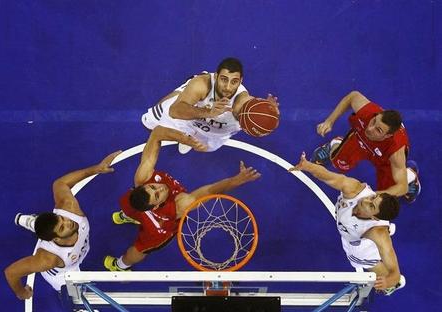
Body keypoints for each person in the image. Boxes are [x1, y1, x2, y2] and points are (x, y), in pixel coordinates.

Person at [104, 126, 261, 271]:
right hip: (157, 228)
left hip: (135, 206)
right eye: (157, 195)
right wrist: (236, 181)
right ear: (156, 206)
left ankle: (125, 216)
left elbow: (157, 133)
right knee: (141, 249)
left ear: (142, 186)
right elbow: (210, 190)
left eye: (152, 187)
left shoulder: (142, 178)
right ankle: (120, 265)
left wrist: (185, 139)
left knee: (129, 204)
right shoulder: (180, 205)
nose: (160, 188)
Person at [4, 151, 121, 299]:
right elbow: (11, 272)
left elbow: (60, 183)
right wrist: (21, 293)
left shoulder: (69, 208)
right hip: (63, 272)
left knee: (44, 224)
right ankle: (31, 222)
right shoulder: (48, 259)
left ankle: (31, 221)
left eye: (61, 219)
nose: (68, 222)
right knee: (77, 296)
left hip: (71, 249)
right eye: (62, 227)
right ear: (56, 239)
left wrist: (96, 169)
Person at [289, 152, 405, 295]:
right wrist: (307, 166)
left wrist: (390, 281)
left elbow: (395, 272)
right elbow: (329, 176)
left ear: (375, 218)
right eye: (373, 197)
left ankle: (394, 287)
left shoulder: (378, 233)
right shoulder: (355, 189)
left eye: (371, 206)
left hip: (361, 245)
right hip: (349, 233)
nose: (366, 200)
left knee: (369, 263)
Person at [141, 57, 278, 153]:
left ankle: (189, 136)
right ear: (216, 76)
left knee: (203, 148)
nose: (228, 87)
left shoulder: (242, 101)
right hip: (193, 113)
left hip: (212, 130)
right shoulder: (202, 84)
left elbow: (251, 111)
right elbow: (175, 111)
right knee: (149, 122)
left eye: (234, 82)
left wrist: (269, 113)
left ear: (241, 80)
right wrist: (208, 113)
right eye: (224, 80)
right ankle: (181, 91)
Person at [312, 90, 420, 203]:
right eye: (374, 121)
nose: (370, 128)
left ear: (387, 135)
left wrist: (371, 195)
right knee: (339, 163)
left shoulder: (396, 152)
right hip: (361, 140)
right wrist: (329, 121)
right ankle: (335, 144)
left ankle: (410, 175)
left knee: (387, 196)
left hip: (384, 159)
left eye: (378, 130)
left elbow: (402, 188)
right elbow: (352, 96)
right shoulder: (368, 112)